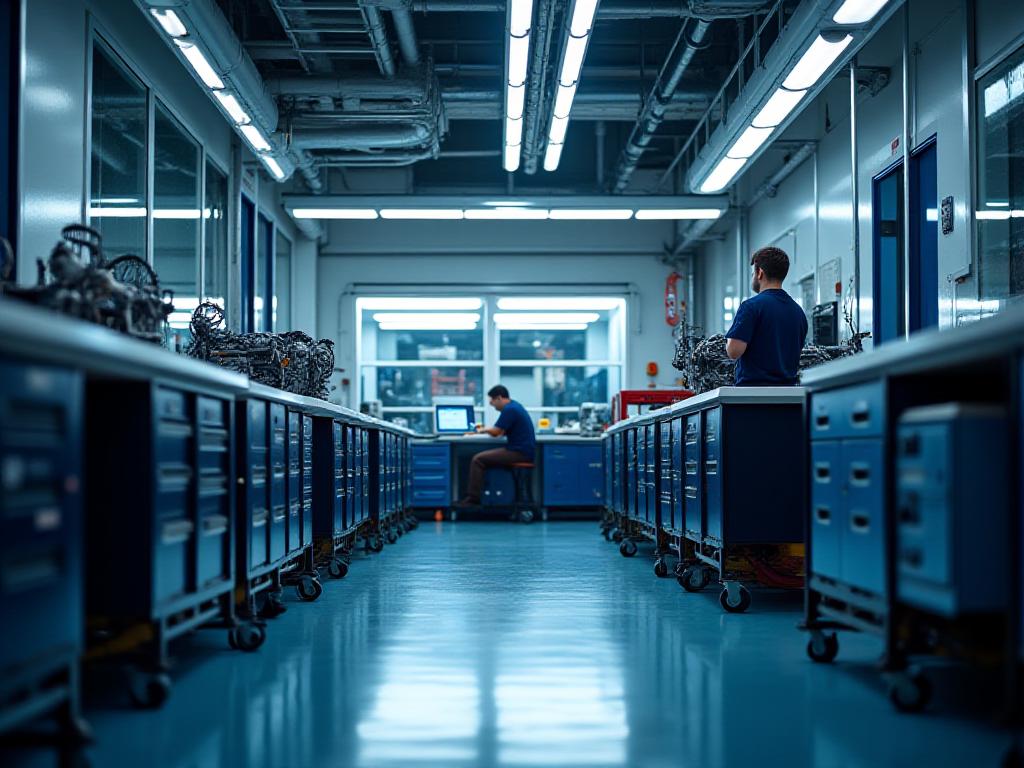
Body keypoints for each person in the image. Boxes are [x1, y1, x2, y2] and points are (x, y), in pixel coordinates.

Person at [724, 246, 808, 386]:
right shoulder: (798, 312)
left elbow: (733, 351)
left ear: (759, 273)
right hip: (789, 397)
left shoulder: (751, 307)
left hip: (753, 396)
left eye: (752, 274)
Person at [456, 385, 536, 506]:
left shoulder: (509, 410)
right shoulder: (515, 406)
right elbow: (501, 431)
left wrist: (481, 430)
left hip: (519, 452)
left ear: (499, 398)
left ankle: (473, 499)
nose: (493, 407)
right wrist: (488, 430)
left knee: (478, 460)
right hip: (523, 450)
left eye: (492, 403)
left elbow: (496, 432)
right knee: (481, 458)